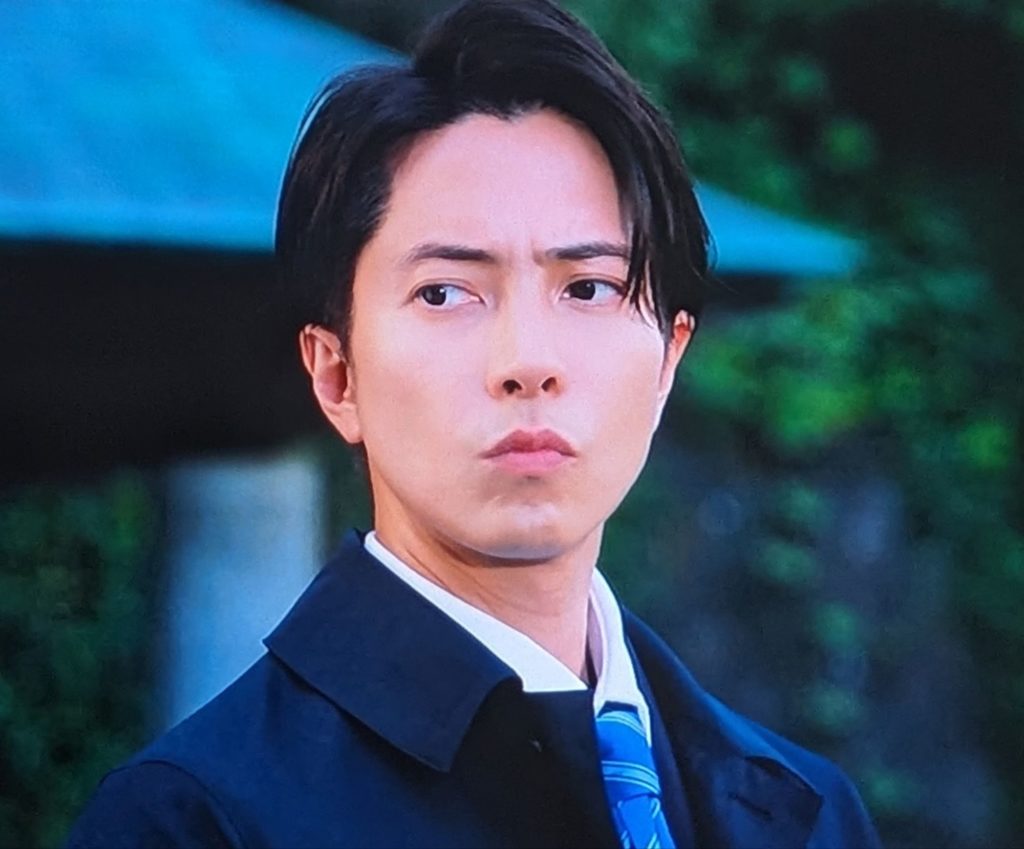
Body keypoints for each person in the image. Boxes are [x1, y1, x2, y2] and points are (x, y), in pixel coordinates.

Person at [67, 1, 882, 846]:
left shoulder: (806, 814)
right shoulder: (193, 821)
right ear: (337, 374)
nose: (527, 361)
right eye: (446, 293)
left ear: (669, 359)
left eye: (588, 287)